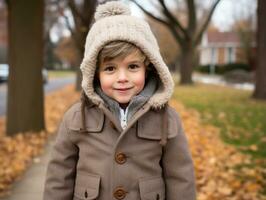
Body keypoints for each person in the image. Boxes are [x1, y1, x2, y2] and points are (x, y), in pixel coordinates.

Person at [43, 1, 196, 200]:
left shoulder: (167, 119)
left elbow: (180, 179)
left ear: (148, 67)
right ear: (95, 74)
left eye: (132, 67)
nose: (122, 78)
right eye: (110, 68)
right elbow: (59, 178)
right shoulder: (76, 118)